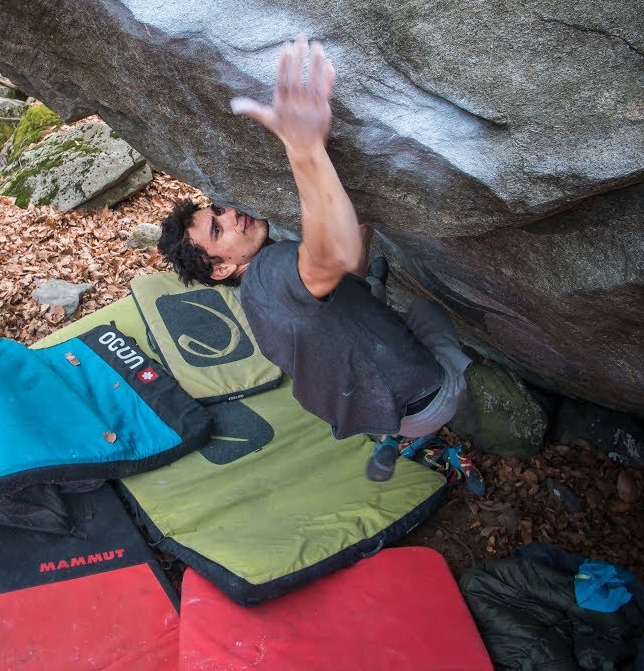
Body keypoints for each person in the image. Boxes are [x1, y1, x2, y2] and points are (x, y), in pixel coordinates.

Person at [157, 35, 475, 483]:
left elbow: (339, 275)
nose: (231, 215)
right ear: (222, 268)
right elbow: (335, 255)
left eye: (219, 211)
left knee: (367, 295)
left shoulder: (254, 300)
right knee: (425, 310)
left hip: (379, 413)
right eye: (218, 229)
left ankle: (399, 436)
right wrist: (304, 149)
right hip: (429, 399)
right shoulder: (271, 271)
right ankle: (459, 401)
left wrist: (362, 222)